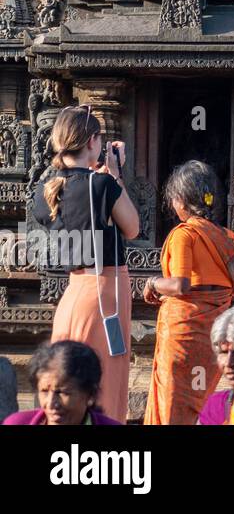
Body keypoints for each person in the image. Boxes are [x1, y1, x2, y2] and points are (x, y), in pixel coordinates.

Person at [31, 105, 139, 422]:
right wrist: (115, 175)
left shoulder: (44, 191)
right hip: (105, 297)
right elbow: (132, 227)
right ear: (93, 141)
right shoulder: (101, 186)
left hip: (72, 295)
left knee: (67, 384)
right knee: (104, 387)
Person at [143, 160, 234, 425]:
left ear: (181, 200)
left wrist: (152, 283)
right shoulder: (230, 239)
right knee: (201, 404)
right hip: (213, 338)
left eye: (173, 200)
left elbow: (180, 285)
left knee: (171, 406)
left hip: (182, 336)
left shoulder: (184, 235)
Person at [3, 341, 121, 426]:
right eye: (44, 391)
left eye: (62, 392)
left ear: (90, 395)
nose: (50, 403)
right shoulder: (16, 423)